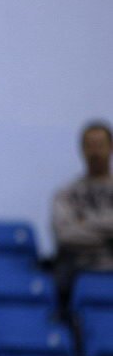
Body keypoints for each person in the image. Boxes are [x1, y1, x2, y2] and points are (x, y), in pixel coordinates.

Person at [52, 121, 113, 300]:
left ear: (111, 148)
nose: (95, 152)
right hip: (76, 274)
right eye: (89, 146)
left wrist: (84, 222)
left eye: (100, 145)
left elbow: (76, 229)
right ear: (82, 149)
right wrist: (108, 235)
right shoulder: (65, 194)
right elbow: (65, 234)